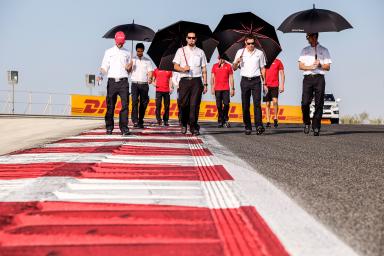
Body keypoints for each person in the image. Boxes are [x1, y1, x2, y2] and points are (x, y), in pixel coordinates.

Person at [97, 31, 132, 136]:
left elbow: (129, 70)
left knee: (125, 105)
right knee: (110, 105)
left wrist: (130, 67)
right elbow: (104, 66)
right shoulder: (108, 52)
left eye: (122, 42)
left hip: (123, 81)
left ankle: (124, 128)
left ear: (124, 42)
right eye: (119, 42)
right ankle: (109, 127)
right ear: (115, 40)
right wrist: (100, 75)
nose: (120, 44)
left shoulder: (128, 52)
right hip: (112, 81)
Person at [173, 31, 208, 135]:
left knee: (194, 105)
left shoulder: (201, 52)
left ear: (196, 39)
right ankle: (183, 123)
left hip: (197, 81)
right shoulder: (180, 51)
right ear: (186, 39)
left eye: (193, 38)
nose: (191, 39)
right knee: (183, 104)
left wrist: (205, 84)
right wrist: (183, 69)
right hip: (184, 80)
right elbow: (175, 66)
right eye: (189, 37)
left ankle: (193, 127)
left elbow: (204, 68)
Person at [233, 35, 267, 135]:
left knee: (257, 104)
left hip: (256, 80)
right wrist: (236, 62)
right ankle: (248, 126)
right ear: (245, 43)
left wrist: (264, 82)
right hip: (244, 81)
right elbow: (234, 68)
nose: (251, 45)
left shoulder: (260, 53)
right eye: (249, 43)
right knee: (245, 105)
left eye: (253, 43)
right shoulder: (240, 52)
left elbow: (263, 68)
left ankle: (259, 126)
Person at [299, 32, 331, 136]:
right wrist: (310, 67)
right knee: (304, 102)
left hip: (319, 78)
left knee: (319, 103)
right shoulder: (304, 50)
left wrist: (320, 65)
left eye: (308, 36)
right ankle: (307, 122)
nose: (307, 38)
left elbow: (328, 67)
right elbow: (300, 66)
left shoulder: (324, 50)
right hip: (308, 78)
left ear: (315, 36)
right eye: (306, 36)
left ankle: (316, 126)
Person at [128, 43, 153, 128]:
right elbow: (128, 71)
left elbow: (150, 71)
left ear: (143, 51)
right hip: (135, 83)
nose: (139, 52)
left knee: (143, 103)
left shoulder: (147, 60)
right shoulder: (132, 59)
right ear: (136, 50)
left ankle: (140, 120)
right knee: (134, 102)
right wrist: (130, 65)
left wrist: (150, 78)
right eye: (138, 51)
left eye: (141, 51)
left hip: (144, 84)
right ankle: (135, 120)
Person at [211, 57, 235, 128]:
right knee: (219, 106)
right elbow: (212, 77)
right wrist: (212, 87)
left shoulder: (228, 66)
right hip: (217, 89)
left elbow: (231, 78)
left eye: (223, 58)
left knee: (226, 104)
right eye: (220, 58)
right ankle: (221, 120)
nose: (221, 59)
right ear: (218, 58)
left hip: (226, 89)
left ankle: (224, 119)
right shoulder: (215, 66)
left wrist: (232, 89)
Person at [263, 58, 285, 128]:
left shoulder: (278, 62)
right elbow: (262, 72)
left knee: (275, 101)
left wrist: (282, 85)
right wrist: (264, 84)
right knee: (267, 103)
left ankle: (275, 118)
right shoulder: (265, 62)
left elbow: (282, 74)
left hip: (275, 85)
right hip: (266, 86)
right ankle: (268, 121)